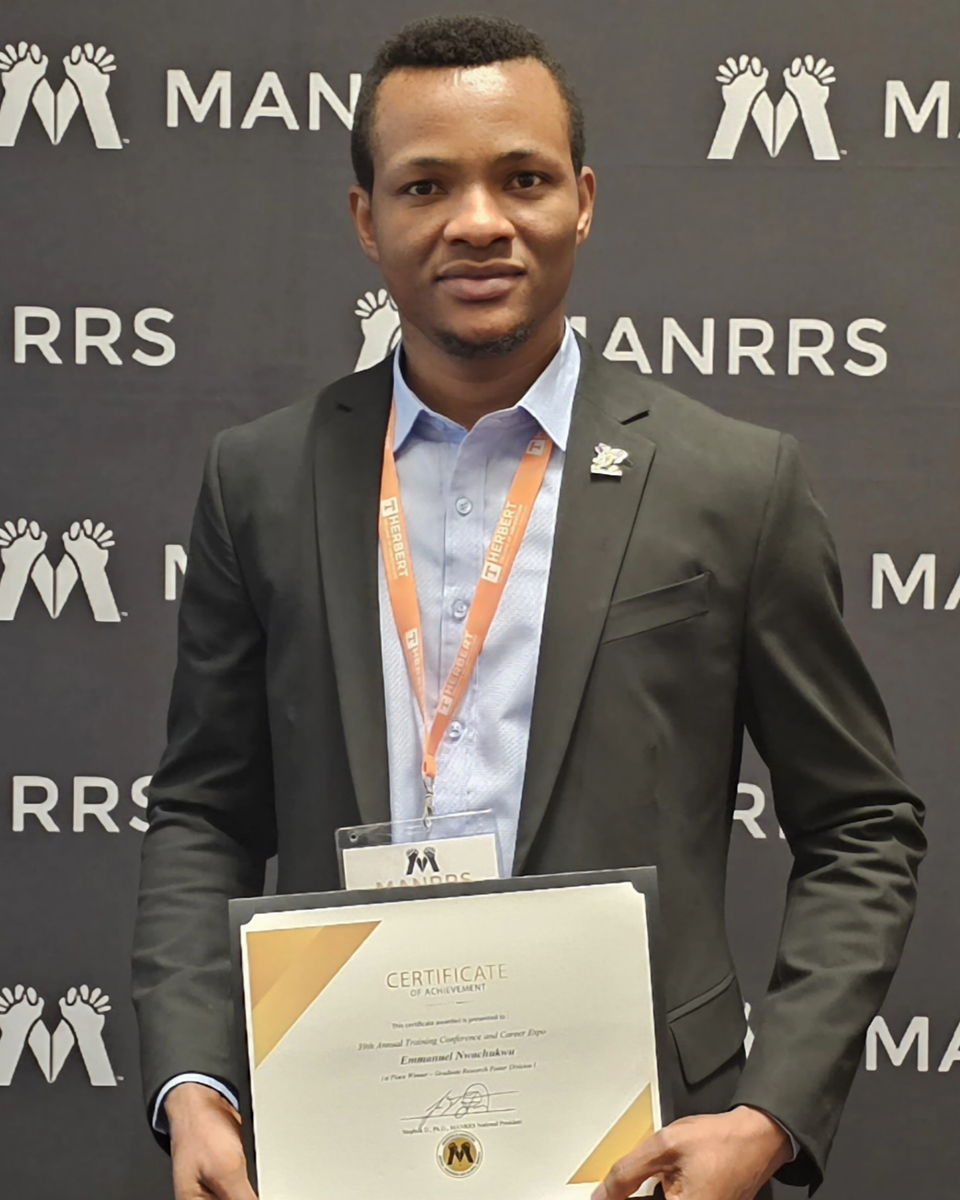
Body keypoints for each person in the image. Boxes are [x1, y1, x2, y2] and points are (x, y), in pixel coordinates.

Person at [131, 14, 925, 1200]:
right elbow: (201, 811)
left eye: (524, 178)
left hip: (646, 1152)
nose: (479, 222)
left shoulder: (731, 481)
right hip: (330, 1140)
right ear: (368, 220)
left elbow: (863, 826)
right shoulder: (260, 477)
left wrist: (768, 1113)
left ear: (584, 199)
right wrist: (195, 1085)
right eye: (426, 184)